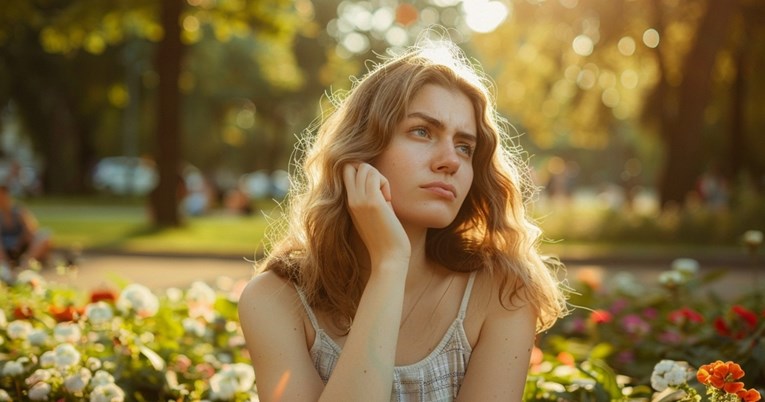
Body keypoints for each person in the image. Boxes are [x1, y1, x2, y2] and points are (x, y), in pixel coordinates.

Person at [238, 38, 569, 402]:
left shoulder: (503, 292)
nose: (451, 161)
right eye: (422, 132)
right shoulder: (275, 299)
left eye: (465, 146)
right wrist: (390, 263)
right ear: (362, 149)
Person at [0, 184, 52, 269]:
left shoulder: (18, 212)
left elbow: (32, 232)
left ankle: (26, 264)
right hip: (5, 251)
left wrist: (21, 240)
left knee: (45, 234)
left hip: (21, 249)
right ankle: (5, 266)